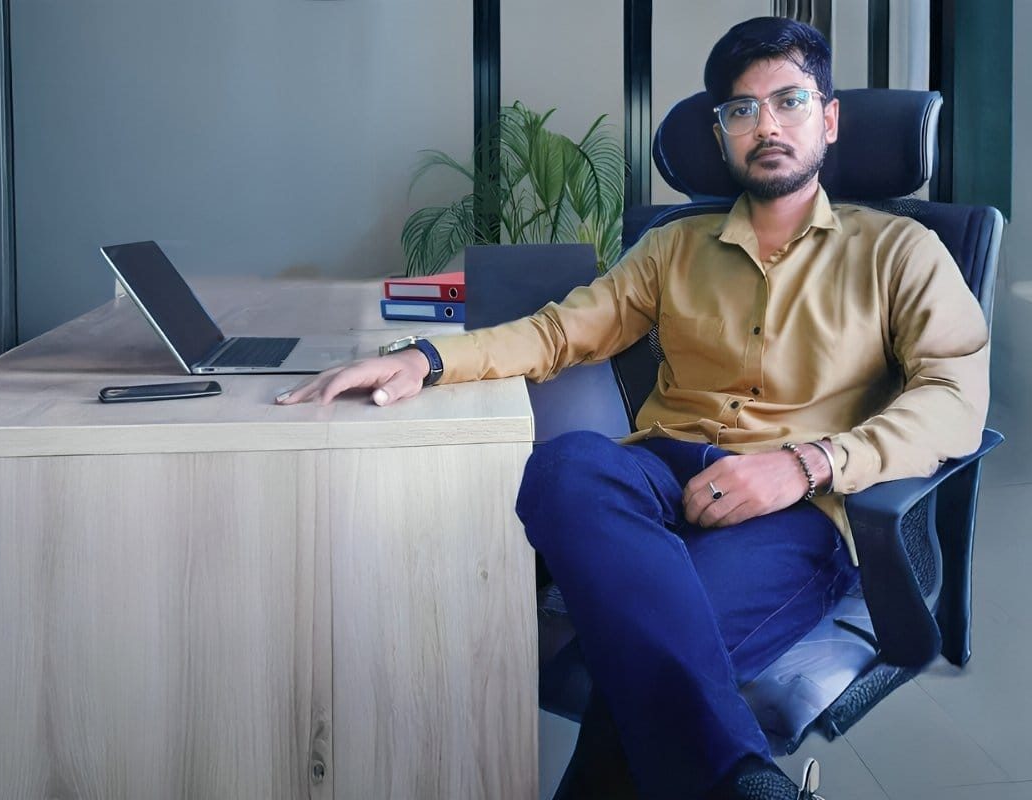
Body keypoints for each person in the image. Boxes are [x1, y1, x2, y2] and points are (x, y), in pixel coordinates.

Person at [278, 16, 989, 800]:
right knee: (567, 466)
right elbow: (560, 332)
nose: (767, 126)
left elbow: (953, 397)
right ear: (721, 136)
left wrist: (805, 465)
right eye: (742, 110)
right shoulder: (674, 246)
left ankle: (745, 781)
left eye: (789, 101)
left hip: (796, 508)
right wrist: (427, 358)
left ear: (829, 119)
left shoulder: (899, 250)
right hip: (660, 476)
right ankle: (742, 777)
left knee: (642, 658)